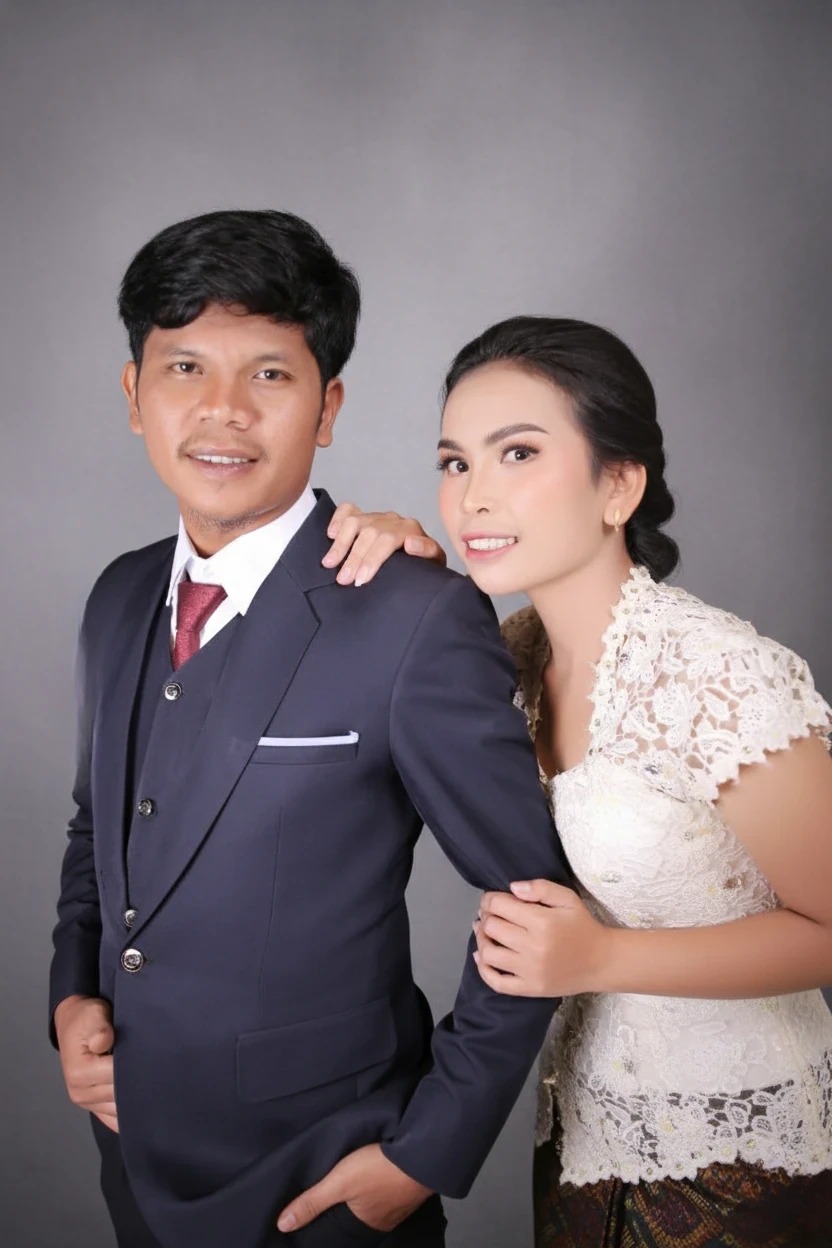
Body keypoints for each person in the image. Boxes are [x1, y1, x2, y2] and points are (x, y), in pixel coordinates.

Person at [49, 213, 574, 1248]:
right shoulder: (117, 597)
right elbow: (94, 831)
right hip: (131, 1156)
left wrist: (426, 1152)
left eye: (270, 376)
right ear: (134, 395)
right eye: (185, 368)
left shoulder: (414, 616)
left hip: (330, 1174)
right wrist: (73, 996)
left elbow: (536, 902)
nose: (223, 410)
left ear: (327, 407)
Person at [326, 315, 832, 1247]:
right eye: (454, 463)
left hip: (751, 1162)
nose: (473, 496)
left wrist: (601, 959)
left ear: (619, 485)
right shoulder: (502, 662)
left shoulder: (717, 673)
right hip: (577, 1142)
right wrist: (399, 580)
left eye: (517, 453)